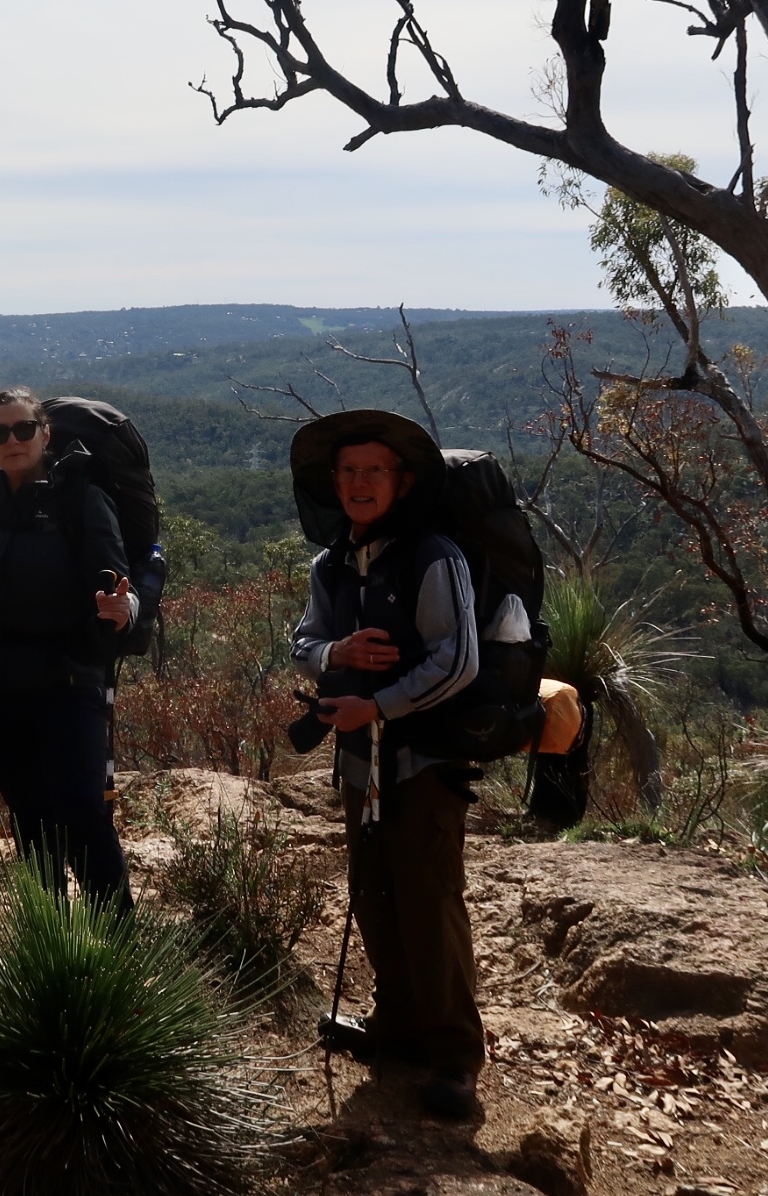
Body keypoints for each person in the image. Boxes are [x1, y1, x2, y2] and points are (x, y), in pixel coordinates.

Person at [288, 408, 484, 1121]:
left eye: (373, 469)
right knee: (371, 889)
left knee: (428, 899)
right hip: (356, 757)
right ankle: (397, 1024)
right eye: (346, 471)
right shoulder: (331, 561)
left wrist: (383, 705)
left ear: (401, 481)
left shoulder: (433, 555)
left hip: (424, 759)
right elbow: (303, 639)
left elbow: (458, 660)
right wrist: (336, 656)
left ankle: (455, 1058)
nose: (357, 482)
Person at [0, 389, 137, 905]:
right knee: (29, 815)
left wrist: (123, 609)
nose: (12, 440)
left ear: (45, 433)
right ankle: (48, 941)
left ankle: (116, 949)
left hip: (69, 680)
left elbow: (119, 583)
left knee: (82, 812)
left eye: (23, 429)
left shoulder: (81, 500)